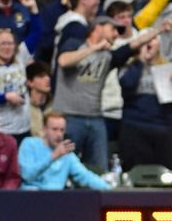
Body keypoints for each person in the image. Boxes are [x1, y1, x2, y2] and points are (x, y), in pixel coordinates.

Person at [53, 15, 164, 171]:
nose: (116, 35)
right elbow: (63, 61)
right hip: (70, 117)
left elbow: (135, 44)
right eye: (113, 29)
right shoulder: (74, 43)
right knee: (62, 167)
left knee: (100, 168)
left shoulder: (109, 56)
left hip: (96, 118)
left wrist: (159, 30)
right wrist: (93, 48)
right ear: (98, 27)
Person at [118, 35, 172, 172]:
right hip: (135, 127)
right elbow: (126, 86)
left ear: (159, 45)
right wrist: (141, 61)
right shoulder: (129, 66)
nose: (149, 43)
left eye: (153, 39)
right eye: (145, 40)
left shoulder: (171, 67)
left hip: (163, 128)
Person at [18, 111, 110, 190]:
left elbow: (85, 176)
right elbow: (26, 176)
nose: (59, 134)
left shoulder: (66, 153)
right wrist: (53, 156)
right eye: (54, 129)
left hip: (57, 200)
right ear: (44, 129)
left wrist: (110, 190)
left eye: (62, 130)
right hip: (31, 197)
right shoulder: (29, 144)